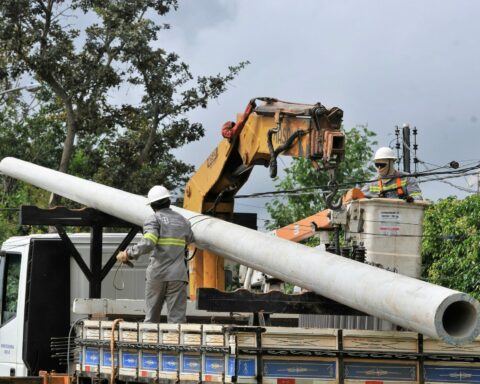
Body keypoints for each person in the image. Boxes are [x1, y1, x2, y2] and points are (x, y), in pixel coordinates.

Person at [117, 185, 194, 323]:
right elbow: (190, 240)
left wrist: (128, 254)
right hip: (178, 275)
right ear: (169, 202)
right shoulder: (184, 221)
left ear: (152, 205)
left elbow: (148, 243)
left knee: (152, 318)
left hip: (158, 274)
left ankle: (149, 344)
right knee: (177, 320)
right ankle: (176, 344)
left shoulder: (154, 219)